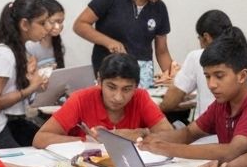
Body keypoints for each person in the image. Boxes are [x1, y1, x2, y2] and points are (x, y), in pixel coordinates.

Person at [140, 26, 247, 162]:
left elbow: (231, 151)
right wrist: (149, 141)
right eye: (207, 76)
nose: (211, 84)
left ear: (242, 76)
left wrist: (166, 148)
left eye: (219, 76)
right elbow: (189, 133)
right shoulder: (221, 104)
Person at [72, 0, 175, 89]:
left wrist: (172, 77)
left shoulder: (159, 8)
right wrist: (109, 42)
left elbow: (162, 51)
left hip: (141, 76)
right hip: (111, 73)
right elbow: (80, 25)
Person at [33, 53, 172, 148]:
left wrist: (139, 133)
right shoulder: (81, 99)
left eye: (127, 89)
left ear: (136, 86)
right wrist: (87, 141)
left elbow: (171, 136)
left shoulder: (140, 97)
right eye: (111, 87)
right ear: (99, 81)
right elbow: (40, 139)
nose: (118, 97)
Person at [0, 0, 52, 149]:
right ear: (24, 24)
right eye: (42, 23)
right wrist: (30, 87)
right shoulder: (4, 54)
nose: (47, 28)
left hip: (11, 121)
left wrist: (33, 82)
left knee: (46, 142)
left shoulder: (19, 51)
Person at [159, 8, 233, 117]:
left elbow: (169, 102)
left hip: (206, 131)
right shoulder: (244, 56)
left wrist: (154, 110)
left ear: (206, 37)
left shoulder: (197, 57)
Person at [28, 0, 68, 70]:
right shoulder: (30, 46)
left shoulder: (60, 46)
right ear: (41, 20)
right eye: (52, 22)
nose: (57, 27)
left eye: (61, 22)